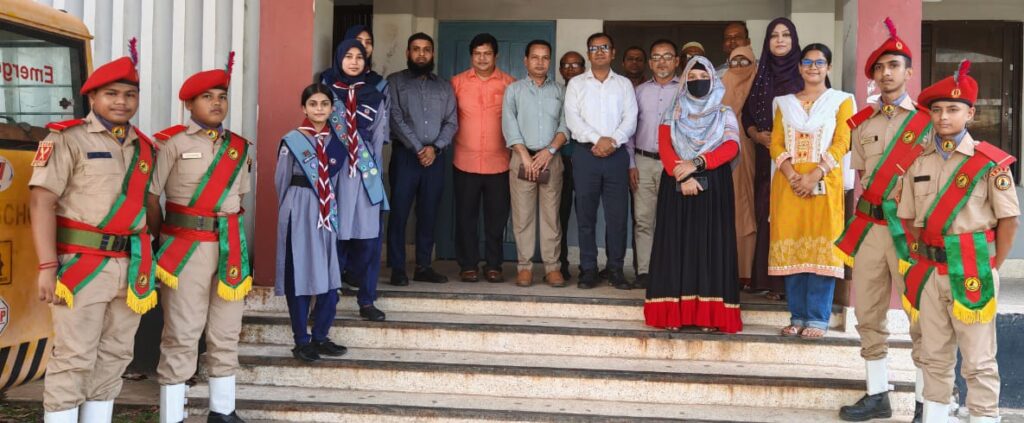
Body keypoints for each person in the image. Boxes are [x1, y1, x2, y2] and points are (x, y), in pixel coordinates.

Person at [30, 42, 156, 423]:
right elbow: (41, 202)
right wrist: (47, 266)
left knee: (116, 355)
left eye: (129, 94)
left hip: (129, 266)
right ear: (92, 97)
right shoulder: (66, 139)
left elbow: (148, 207)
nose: (122, 102)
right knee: (74, 356)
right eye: (112, 94)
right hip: (81, 266)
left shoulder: (145, 147)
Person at [901, 60, 1018, 423]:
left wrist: (992, 265)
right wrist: (928, 253)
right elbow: (908, 219)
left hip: (973, 268)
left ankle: (984, 417)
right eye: (936, 110)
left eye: (953, 109)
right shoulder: (918, 162)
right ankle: (936, 416)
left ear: (970, 114)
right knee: (933, 356)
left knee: (979, 360)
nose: (943, 117)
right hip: (931, 270)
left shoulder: (990, 163)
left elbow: (1009, 221)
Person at [148, 52, 252, 422]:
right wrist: (162, 240)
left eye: (222, 96)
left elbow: (239, 200)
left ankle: (222, 412)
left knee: (226, 331)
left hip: (229, 248)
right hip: (185, 249)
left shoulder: (239, 148)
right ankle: (172, 416)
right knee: (182, 333)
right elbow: (151, 197)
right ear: (189, 104)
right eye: (207, 97)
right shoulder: (171, 144)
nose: (216, 103)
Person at [837, 17, 927, 422]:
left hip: (911, 231)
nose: (887, 73)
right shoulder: (862, 124)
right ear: (873, 75)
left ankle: (927, 401)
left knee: (922, 316)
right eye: (880, 67)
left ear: (909, 73)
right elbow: (861, 177)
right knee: (868, 314)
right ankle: (877, 394)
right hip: (872, 229)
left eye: (895, 65)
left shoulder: (927, 122)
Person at [644, 56, 742, 334]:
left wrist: (697, 164)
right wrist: (684, 176)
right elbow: (665, 148)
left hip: (714, 186)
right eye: (692, 78)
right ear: (684, 81)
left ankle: (709, 316)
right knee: (676, 246)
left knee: (710, 247)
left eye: (704, 78)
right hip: (676, 183)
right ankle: (672, 313)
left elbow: (731, 147)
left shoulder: (724, 114)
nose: (698, 82)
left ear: (714, 80)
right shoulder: (672, 113)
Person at [768, 43, 853, 339]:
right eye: (807, 62)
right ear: (800, 67)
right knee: (792, 247)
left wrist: (814, 174)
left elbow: (842, 141)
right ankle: (797, 316)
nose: (813, 67)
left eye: (819, 62)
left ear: (828, 67)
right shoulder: (784, 103)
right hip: (788, 184)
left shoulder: (841, 101)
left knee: (821, 250)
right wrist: (793, 175)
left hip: (825, 184)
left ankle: (817, 319)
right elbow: (776, 143)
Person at [274, 83, 350, 362]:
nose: (319, 109)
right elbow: (281, 181)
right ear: (303, 108)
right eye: (313, 104)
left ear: (332, 108)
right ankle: (301, 340)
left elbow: (340, 182)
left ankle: (320, 335)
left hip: (328, 211)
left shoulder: (338, 143)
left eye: (324, 104)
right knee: (299, 273)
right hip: (299, 208)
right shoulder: (292, 140)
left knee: (330, 273)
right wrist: (292, 212)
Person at [564, 32, 638, 289]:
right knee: (586, 216)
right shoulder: (576, 84)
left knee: (617, 217)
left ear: (613, 53)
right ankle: (588, 269)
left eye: (604, 47)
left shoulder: (624, 84)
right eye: (594, 48)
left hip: (617, 156)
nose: (599, 52)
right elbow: (573, 119)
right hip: (586, 155)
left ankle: (615, 269)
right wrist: (598, 140)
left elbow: (631, 119)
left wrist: (612, 141)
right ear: (588, 54)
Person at [323, 40, 390, 321]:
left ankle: (367, 299)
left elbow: (378, 139)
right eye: (348, 56)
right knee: (332, 240)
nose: (354, 62)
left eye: (359, 57)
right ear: (339, 59)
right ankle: (326, 302)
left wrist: (374, 179)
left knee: (369, 240)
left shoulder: (375, 97)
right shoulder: (325, 94)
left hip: (364, 176)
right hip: (334, 177)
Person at [386, 33, 458, 286]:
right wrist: (419, 148)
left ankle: (423, 266)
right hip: (406, 156)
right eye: (416, 49)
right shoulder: (394, 82)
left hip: (435, 158)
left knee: (429, 213)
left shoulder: (444, 87)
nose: (421, 54)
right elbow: (394, 117)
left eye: (426, 49)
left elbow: (451, 122)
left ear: (432, 54)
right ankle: (397, 268)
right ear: (408, 53)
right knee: (399, 213)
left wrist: (435, 148)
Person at [743, 17, 804, 299]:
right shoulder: (762, 75)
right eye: (774, 35)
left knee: (792, 215)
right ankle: (768, 280)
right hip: (765, 157)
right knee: (767, 214)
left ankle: (791, 284)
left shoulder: (807, 73)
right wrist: (756, 135)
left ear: (794, 40)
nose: (780, 40)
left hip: (799, 159)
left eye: (786, 35)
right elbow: (747, 115)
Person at [502, 40, 569, 287]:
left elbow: (566, 124)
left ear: (550, 60)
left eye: (545, 57)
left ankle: (552, 268)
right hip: (522, 159)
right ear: (526, 60)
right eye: (535, 57)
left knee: (552, 216)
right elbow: (509, 124)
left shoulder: (560, 91)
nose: (540, 62)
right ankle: (525, 268)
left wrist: (549, 151)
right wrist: (524, 155)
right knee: (523, 217)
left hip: (551, 158)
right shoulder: (514, 90)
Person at [451, 33, 516, 283]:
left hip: (499, 163)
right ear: (471, 56)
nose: (482, 58)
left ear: (495, 56)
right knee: (465, 218)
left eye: (487, 53)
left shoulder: (510, 84)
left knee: (496, 220)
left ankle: (494, 265)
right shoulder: (456, 83)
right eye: (477, 54)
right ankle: (468, 265)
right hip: (464, 162)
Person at [626, 39, 680, 290]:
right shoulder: (638, 92)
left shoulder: (686, 90)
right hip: (643, 162)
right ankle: (645, 272)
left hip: (675, 164)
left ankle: (672, 271)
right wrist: (630, 164)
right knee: (643, 220)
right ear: (650, 62)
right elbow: (629, 130)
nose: (662, 62)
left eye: (667, 56)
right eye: (656, 57)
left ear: (676, 61)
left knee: (673, 220)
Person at [721, 45, 758, 289]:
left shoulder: (760, 84)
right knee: (729, 208)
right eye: (734, 62)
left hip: (754, 153)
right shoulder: (720, 84)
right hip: (724, 153)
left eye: (745, 62)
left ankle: (749, 270)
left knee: (750, 208)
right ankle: (728, 268)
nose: (739, 67)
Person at [557, 51, 586, 280]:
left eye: (575, 65)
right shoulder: (556, 93)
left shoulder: (590, 92)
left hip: (586, 160)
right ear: (560, 70)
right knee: (560, 215)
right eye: (566, 65)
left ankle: (588, 266)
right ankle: (560, 264)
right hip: (560, 161)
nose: (570, 69)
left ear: (583, 69)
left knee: (586, 215)